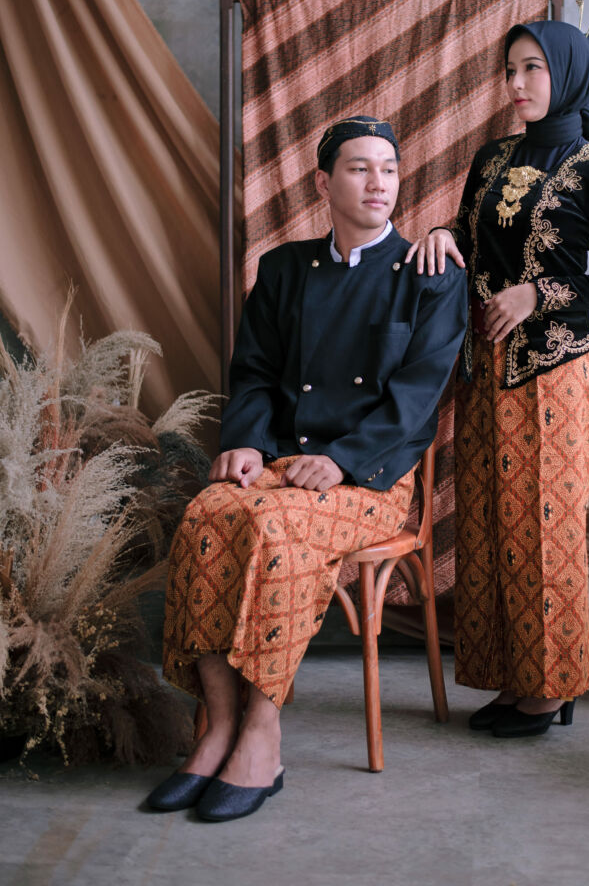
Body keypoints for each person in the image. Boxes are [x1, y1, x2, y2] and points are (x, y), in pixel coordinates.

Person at [147, 117, 467, 820]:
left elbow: (415, 402)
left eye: (388, 169)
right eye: (359, 168)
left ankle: (262, 737)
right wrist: (245, 441)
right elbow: (256, 372)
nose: (378, 183)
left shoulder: (430, 276)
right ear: (323, 183)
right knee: (206, 513)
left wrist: (342, 459)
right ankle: (218, 727)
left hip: (373, 477)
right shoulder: (284, 269)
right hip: (282, 460)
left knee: (276, 528)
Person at [408, 21, 589, 737]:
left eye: (532, 68)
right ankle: (513, 679)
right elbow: (469, 234)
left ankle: (550, 686)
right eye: (510, 69)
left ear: (566, 74)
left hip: (553, 373)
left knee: (543, 529)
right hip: (483, 369)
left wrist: (536, 295)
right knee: (486, 525)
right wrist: (442, 233)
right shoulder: (492, 158)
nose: (515, 83)